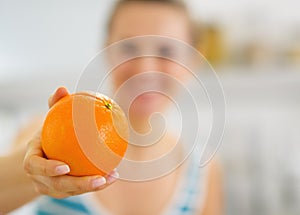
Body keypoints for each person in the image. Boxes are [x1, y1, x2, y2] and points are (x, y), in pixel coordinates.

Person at [9, 0, 223, 214]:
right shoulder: (42, 134)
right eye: (128, 47)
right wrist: (36, 169)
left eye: (166, 51)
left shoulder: (203, 170)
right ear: (107, 49)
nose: (145, 68)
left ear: (194, 59)